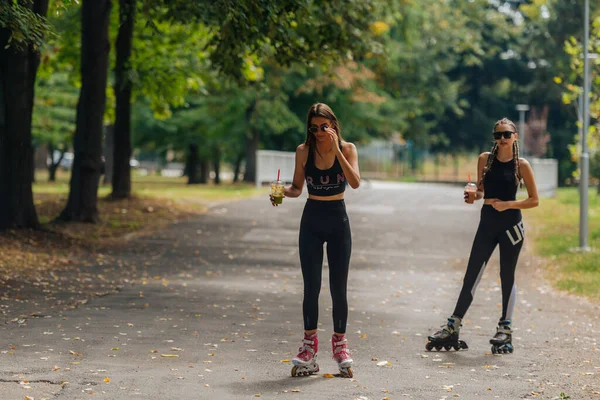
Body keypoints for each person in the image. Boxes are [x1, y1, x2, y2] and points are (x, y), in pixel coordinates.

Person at [426, 117, 539, 354]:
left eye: (507, 134)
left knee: (506, 275)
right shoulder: (485, 159)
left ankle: (505, 329)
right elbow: (480, 192)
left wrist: (508, 205)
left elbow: (533, 200)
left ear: (515, 136)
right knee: (471, 275)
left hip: (511, 227)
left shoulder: (522, 165)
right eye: (498, 135)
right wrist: (471, 196)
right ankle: (452, 326)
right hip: (487, 223)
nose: (502, 139)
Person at [270, 103, 360, 377]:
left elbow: (354, 182)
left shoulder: (348, 149)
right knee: (311, 286)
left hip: (337, 219)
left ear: (333, 125)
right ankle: (309, 347)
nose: (319, 132)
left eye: (324, 127)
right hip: (312, 219)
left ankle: (340, 346)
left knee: (338, 286)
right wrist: (282, 192)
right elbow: (298, 188)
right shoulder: (303, 151)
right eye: (314, 127)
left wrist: (336, 150)